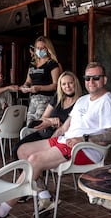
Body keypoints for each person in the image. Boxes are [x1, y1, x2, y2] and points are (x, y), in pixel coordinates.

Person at [0, 61, 111, 218]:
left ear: (104, 79)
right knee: (23, 150)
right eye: (88, 78)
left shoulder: (109, 103)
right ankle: (45, 196)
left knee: (35, 160)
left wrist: (84, 139)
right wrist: (57, 133)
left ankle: (1, 212)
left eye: (96, 78)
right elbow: (68, 124)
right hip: (65, 142)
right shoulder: (83, 100)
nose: (91, 82)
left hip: (84, 149)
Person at [12, 70, 82, 207]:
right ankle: (41, 191)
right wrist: (51, 120)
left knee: (31, 155)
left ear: (76, 84)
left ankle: (36, 192)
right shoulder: (58, 98)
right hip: (45, 131)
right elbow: (43, 118)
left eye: (70, 83)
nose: (67, 86)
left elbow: (73, 127)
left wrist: (58, 125)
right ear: (60, 86)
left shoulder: (81, 102)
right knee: (17, 149)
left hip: (58, 137)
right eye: (63, 84)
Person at [20, 36, 61, 125]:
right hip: (33, 99)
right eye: (37, 48)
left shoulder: (52, 64)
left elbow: (55, 85)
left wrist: (39, 88)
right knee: (29, 124)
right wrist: (25, 86)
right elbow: (28, 81)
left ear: (48, 49)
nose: (39, 50)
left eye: (42, 48)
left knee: (38, 125)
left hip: (46, 99)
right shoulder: (32, 64)